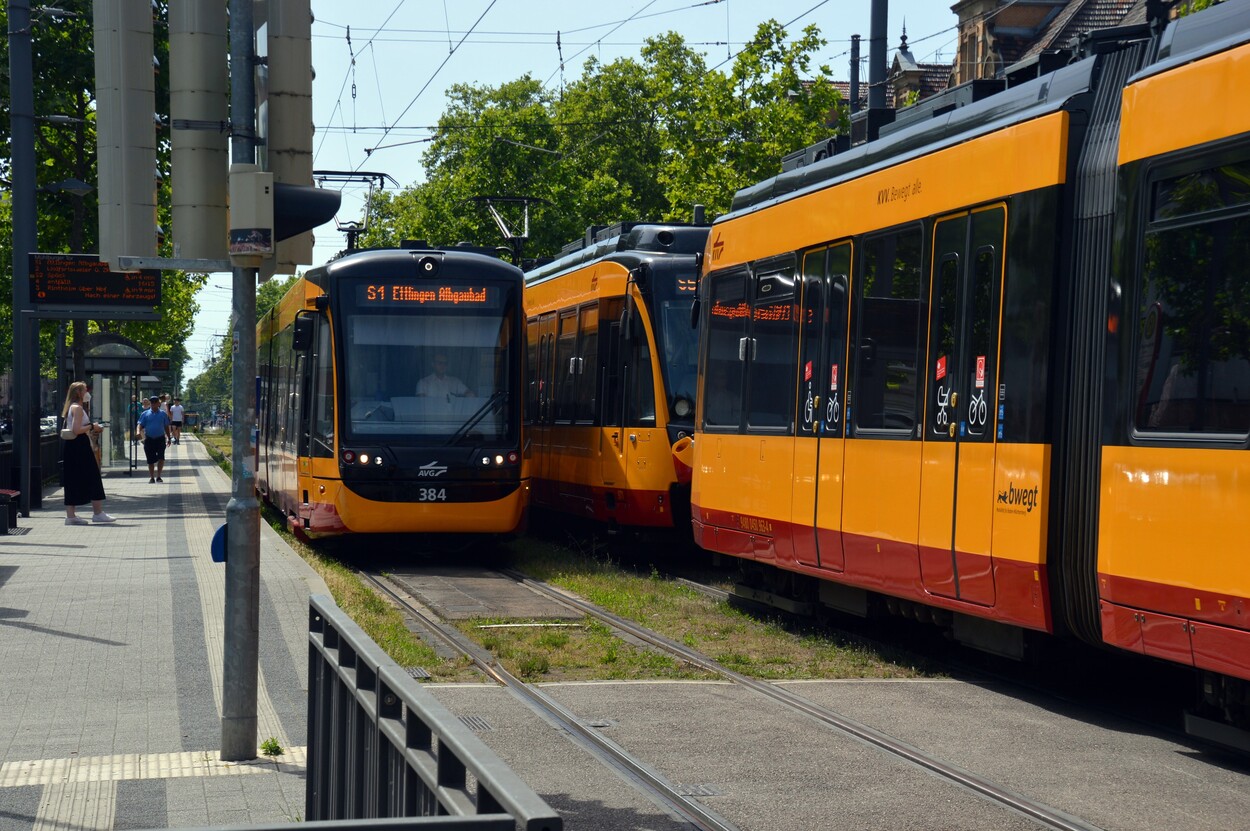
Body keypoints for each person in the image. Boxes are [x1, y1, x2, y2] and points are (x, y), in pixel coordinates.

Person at [61, 381, 115, 525]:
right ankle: (98, 513)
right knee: (93, 476)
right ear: (78, 392)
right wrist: (92, 426)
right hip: (79, 446)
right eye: (85, 390)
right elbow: (76, 430)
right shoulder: (77, 408)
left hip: (73, 447)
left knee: (72, 479)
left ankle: (71, 515)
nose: (87, 393)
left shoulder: (71, 407)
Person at [137, 395, 172, 483]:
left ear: (158, 403)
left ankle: (159, 476)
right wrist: (138, 431)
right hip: (149, 439)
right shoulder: (145, 414)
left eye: (155, 402)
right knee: (150, 460)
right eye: (151, 402)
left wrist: (169, 438)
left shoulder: (163, 414)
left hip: (160, 438)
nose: (153, 404)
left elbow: (166, 426)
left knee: (161, 458)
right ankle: (152, 477)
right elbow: (140, 424)